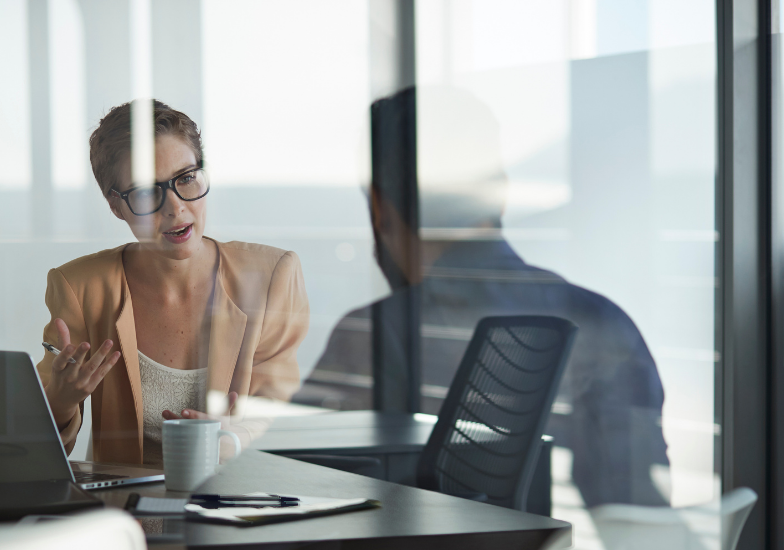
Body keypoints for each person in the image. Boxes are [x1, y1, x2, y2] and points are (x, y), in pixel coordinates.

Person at [306, 86, 670, 508]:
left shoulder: (374, 334)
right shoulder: (602, 320)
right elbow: (638, 516)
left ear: (379, 209)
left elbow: (305, 498)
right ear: (499, 191)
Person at [36, 100, 309, 466]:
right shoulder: (80, 287)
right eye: (147, 192)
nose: (175, 208)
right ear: (116, 206)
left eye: (186, 178)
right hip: (126, 513)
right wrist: (61, 400)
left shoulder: (272, 276)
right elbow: (35, 446)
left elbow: (278, 416)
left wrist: (228, 436)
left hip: (235, 508)